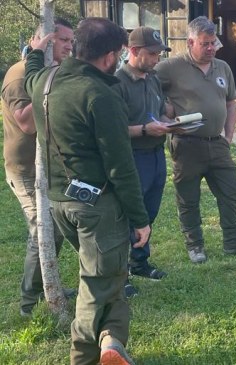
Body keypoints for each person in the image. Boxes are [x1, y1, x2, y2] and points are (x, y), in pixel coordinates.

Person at [25, 17, 150, 365]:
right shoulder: (102, 94)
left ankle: (112, 344)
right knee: (96, 284)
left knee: (110, 273)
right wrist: (140, 219)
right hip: (98, 206)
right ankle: (83, 358)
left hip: (60, 201)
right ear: (110, 56)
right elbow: (120, 166)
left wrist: (34, 51)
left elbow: (32, 69)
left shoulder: (44, 82)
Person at [155, 16, 236, 264]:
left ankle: (234, 243)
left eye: (214, 43)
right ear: (190, 42)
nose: (212, 48)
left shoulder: (222, 67)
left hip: (218, 144)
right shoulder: (170, 67)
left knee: (231, 192)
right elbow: (145, 87)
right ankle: (195, 246)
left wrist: (229, 137)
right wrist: (163, 112)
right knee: (188, 197)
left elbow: (230, 103)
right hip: (187, 145)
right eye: (206, 44)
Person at [2, 18, 75, 318]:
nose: (70, 46)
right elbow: (26, 122)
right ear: (42, 41)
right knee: (42, 231)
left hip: (50, 165)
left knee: (56, 228)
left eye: (72, 40)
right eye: (63, 40)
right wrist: (45, 81)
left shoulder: (53, 71)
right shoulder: (19, 75)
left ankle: (50, 283)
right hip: (25, 168)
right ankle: (28, 304)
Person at [113, 26, 171, 298]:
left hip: (157, 154)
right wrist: (146, 129)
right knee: (127, 216)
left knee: (149, 212)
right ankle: (119, 273)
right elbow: (112, 128)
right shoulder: (116, 83)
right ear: (133, 51)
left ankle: (140, 263)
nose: (157, 58)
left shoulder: (153, 78)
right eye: (152, 53)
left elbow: (159, 112)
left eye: (160, 53)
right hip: (132, 157)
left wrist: (172, 123)